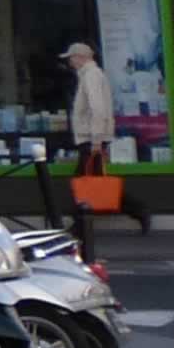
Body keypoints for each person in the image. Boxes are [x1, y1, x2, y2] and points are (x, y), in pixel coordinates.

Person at [63, 40, 151, 245]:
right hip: (92, 138)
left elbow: (97, 109)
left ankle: (80, 225)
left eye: (71, 57)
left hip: (91, 139)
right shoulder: (88, 75)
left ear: (81, 57)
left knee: (83, 181)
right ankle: (137, 211)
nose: (70, 61)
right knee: (94, 180)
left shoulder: (91, 76)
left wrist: (96, 139)